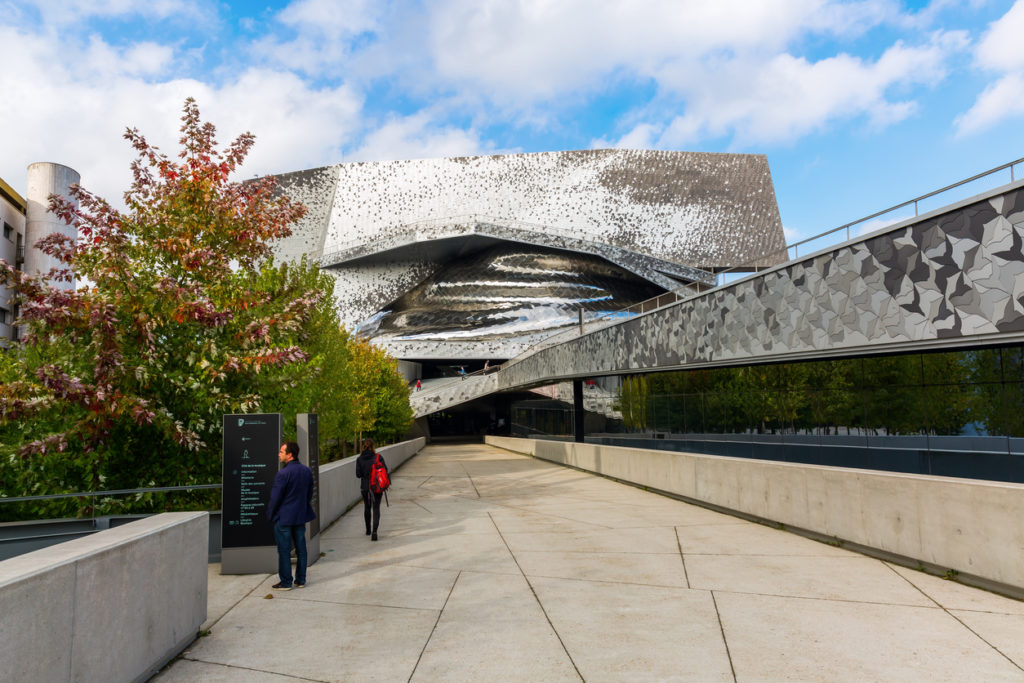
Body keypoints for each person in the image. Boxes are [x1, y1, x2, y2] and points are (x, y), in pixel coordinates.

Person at [267, 441, 316, 590]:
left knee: (284, 550)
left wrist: (271, 515)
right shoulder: (307, 471)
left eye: (281, 452)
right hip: (299, 516)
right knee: (301, 549)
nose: (279, 454)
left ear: (289, 455)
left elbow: (275, 498)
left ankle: (286, 582)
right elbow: (309, 493)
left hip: (284, 518)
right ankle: (301, 580)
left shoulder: (283, 474)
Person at [355, 437, 388, 541]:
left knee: (367, 507)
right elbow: (385, 470)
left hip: (365, 487)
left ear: (363, 446)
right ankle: (375, 531)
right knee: (376, 508)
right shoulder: (378, 457)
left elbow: (358, 474)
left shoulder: (359, 459)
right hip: (377, 487)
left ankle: (368, 530)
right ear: (373, 446)